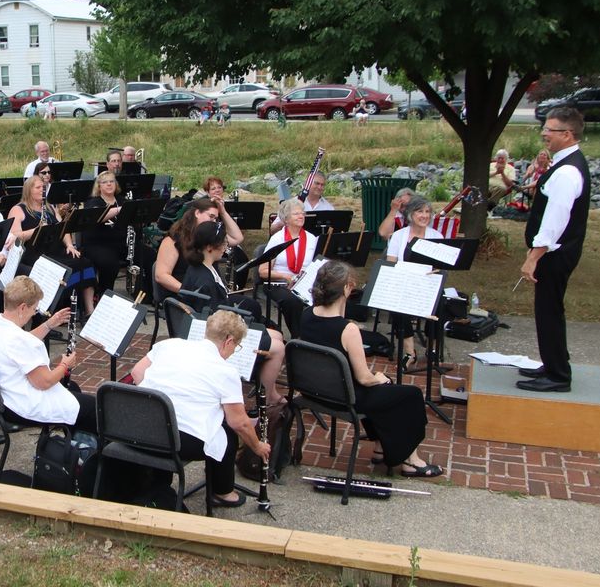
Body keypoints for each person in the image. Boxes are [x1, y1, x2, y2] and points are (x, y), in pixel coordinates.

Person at [301, 261, 442, 477]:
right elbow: (365, 379)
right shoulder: (347, 329)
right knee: (410, 395)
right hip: (346, 396)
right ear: (347, 288)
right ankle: (410, 461)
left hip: (316, 391)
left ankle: (380, 448)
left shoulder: (306, 314)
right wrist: (378, 376)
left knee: (387, 391)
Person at [131, 309, 273, 506]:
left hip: (143, 424)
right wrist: (257, 446)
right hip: (178, 441)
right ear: (228, 341)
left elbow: (137, 373)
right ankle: (222, 492)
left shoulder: (168, 344)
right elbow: (238, 422)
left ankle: (158, 483)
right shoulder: (226, 371)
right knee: (227, 434)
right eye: (236, 346)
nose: (234, 351)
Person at [518, 108, 590, 393]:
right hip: (556, 251)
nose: (544, 134)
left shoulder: (568, 171)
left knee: (548, 311)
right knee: (547, 310)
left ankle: (558, 375)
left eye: (550, 129)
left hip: (555, 253)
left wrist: (534, 256)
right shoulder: (563, 164)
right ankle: (551, 363)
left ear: (567, 134)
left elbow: (556, 219)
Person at [179, 222, 285, 405]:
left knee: (276, 335)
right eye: (223, 243)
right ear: (211, 247)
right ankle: (269, 396)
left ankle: (263, 382)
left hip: (211, 326)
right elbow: (216, 321)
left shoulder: (200, 266)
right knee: (279, 347)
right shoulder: (205, 281)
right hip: (215, 336)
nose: (226, 247)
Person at [0, 275, 95, 432]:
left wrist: (48, 325)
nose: (34, 313)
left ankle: (72, 441)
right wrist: (64, 365)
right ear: (22, 308)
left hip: (5, 396)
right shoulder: (18, 340)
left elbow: (20, 344)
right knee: (93, 408)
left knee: (72, 387)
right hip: (21, 405)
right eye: (34, 308)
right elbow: (43, 382)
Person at [8, 175, 97, 314]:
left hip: (55, 249)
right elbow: (15, 236)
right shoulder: (18, 209)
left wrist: (69, 245)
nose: (42, 190)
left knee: (85, 262)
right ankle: (55, 308)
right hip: (35, 253)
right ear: (28, 190)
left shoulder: (49, 207)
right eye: (38, 187)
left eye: (43, 188)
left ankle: (89, 309)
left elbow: (63, 228)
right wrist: (36, 230)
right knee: (64, 269)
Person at [384, 193, 443, 365]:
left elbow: (439, 268)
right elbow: (391, 264)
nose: (425, 215)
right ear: (410, 214)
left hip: (428, 284)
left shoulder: (437, 237)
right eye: (420, 211)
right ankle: (410, 351)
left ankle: (432, 349)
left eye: (428, 212)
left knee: (439, 304)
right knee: (396, 303)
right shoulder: (398, 236)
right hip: (404, 284)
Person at [153, 196, 242, 305]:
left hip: (208, 293)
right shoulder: (172, 239)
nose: (213, 221)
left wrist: (223, 212)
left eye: (216, 218)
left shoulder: (209, 237)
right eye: (211, 216)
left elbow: (237, 238)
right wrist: (191, 292)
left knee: (249, 305)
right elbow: (161, 275)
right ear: (197, 213)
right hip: (183, 295)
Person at [259, 198, 319, 339]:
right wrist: (287, 277)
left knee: (328, 295)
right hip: (279, 283)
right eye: (296, 213)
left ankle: (321, 335)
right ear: (286, 218)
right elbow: (262, 271)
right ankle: (299, 338)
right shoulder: (277, 239)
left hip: (305, 283)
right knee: (293, 301)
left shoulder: (312, 239)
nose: (301, 216)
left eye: (303, 213)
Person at [81, 171, 127, 296]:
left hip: (120, 243)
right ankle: (104, 295)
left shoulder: (121, 200)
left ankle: (147, 295)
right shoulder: (93, 202)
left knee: (148, 255)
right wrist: (119, 209)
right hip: (97, 244)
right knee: (110, 263)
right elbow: (99, 217)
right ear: (99, 186)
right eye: (105, 182)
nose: (109, 184)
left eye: (111, 181)